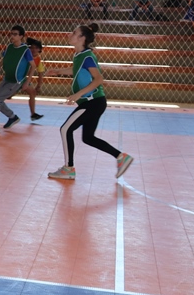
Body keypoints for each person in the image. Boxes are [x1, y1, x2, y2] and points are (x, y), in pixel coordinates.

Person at [45, 23, 134, 181]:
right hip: (94, 103)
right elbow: (76, 70)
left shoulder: (87, 56)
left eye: (74, 32)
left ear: (82, 38)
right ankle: (121, 157)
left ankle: (68, 169)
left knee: (65, 129)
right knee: (88, 138)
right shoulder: (80, 55)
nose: (70, 34)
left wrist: (77, 94)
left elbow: (98, 79)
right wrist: (58, 71)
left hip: (92, 102)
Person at [0, 25, 35, 133]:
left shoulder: (25, 50)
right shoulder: (10, 47)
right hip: (7, 78)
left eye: (15, 34)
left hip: (16, 81)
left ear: (21, 36)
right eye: (11, 34)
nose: (12, 36)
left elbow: (33, 66)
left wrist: (27, 82)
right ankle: (12, 117)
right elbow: (3, 60)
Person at [21, 37, 45, 121]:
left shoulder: (38, 59)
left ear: (39, 49)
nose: (34, 50)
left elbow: (40, 73)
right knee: (6, 95)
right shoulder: (25, 56)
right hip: (18, 78)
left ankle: (33, 114)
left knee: (32, 93)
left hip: (23, 79)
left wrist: (39, 85)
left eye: (36, 48)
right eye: (32, 47)